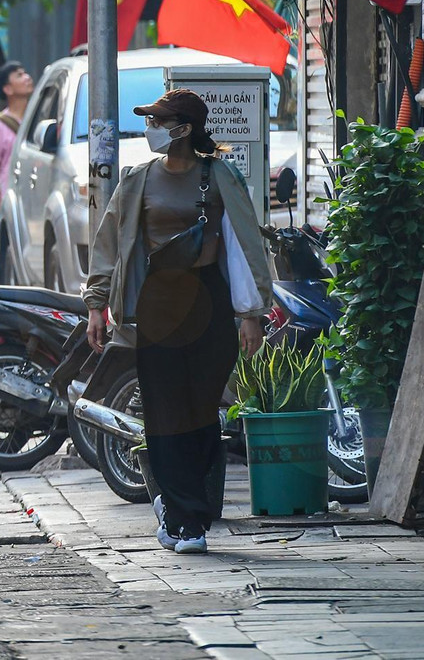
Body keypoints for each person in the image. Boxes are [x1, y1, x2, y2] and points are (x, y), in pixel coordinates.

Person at [81, 89, 271, 555]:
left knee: (203, 410)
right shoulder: (137, 180)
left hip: (209, 299)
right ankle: (184, 518)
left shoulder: (221, 176)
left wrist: (251, 314)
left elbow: (246, 244)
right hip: (158, 303)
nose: (150, 130)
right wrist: (96, 303)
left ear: (183, 129)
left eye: (158, 122)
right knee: (165, 412)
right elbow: (108, 244)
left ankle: (188, 506)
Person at [0, 60, 33, 212]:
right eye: (19, 75)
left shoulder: (38, 120)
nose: (27, 77)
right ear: (8, 89)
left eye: (25, 73)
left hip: (34, 201)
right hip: (9, 204)